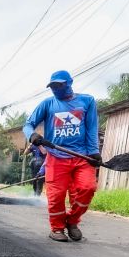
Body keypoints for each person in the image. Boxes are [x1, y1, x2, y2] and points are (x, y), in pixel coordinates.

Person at [23, 70, 100, 242]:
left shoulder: (87, 101)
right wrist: (33, 135)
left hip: (82, 156)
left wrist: (94, 151)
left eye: (59, 85)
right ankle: (57, 228)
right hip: (56, 156)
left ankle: (72, 222)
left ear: (69, 83)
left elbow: (92, 128)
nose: (55, 89)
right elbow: (28, 124)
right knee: (56, 195)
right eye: (52, 86)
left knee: (88, 188)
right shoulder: (48, 104)